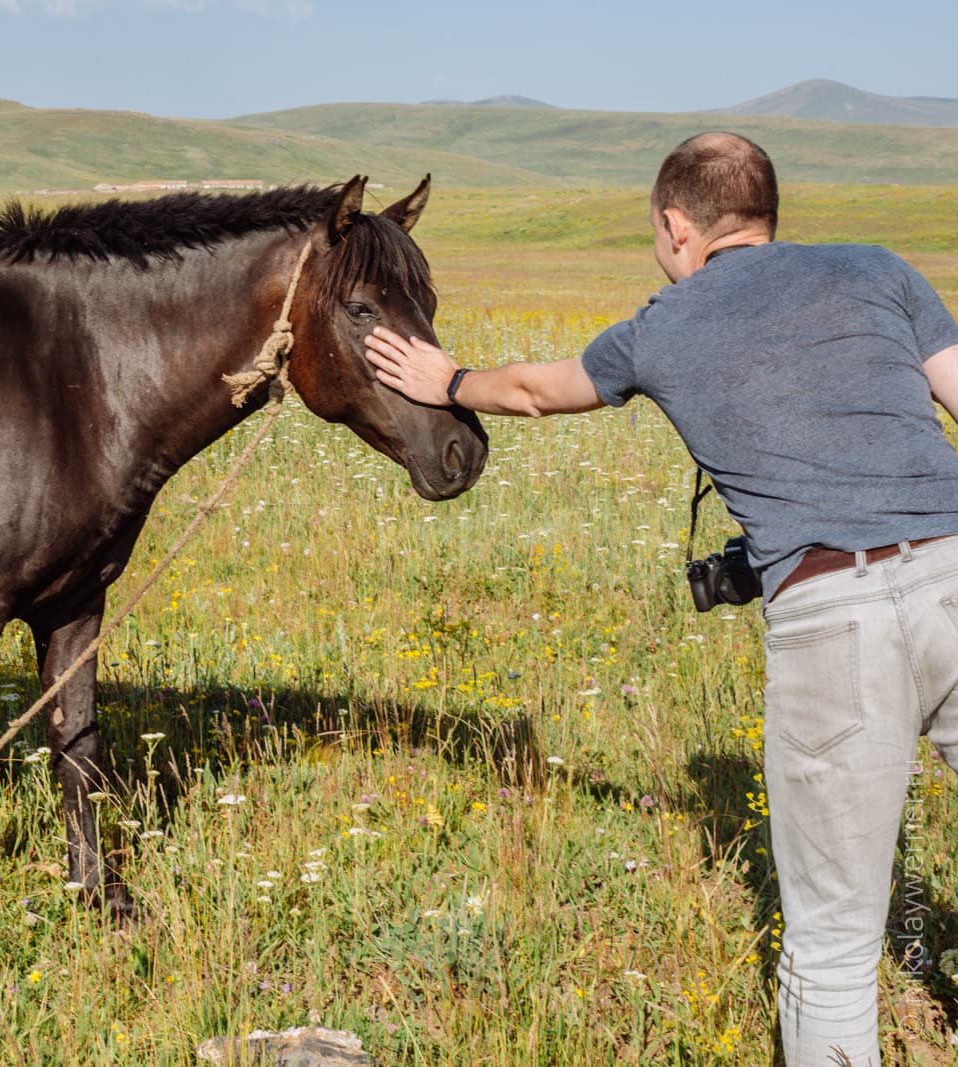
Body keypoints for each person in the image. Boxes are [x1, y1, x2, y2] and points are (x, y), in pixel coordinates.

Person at [364, 131, 958, 1066]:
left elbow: (538, 392)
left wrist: (450, 380)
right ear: (765, 213)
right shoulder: (879, 270)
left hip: (830, 618)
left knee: (834, 944)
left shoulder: (661, 327)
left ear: (678, 226)